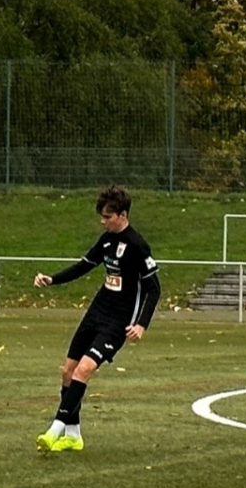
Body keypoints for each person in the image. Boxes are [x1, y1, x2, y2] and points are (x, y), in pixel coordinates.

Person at [31, 185, 159, 453]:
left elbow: (153, 288)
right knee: (67, 371)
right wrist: (52, 279)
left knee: (84, 370)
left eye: (107, 217)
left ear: (122, 215)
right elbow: (84, 266)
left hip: (118, 321)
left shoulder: (137, 245)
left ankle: (55, 428)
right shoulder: (106, 240)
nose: (103, 221)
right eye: (101, 216)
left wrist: (141, 324)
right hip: (97, 311)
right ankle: (74, 435)